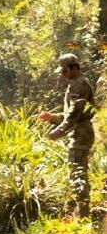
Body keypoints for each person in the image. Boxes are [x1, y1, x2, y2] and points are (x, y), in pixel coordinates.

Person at [38, 53, 95, 218]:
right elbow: (68, 114)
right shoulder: (74, 85)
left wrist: (59, 131)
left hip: (81, 135)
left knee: (77, 174)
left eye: (64, 71)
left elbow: (75, 114)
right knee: (78, 172)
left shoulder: (80, 85)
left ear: (73, 68)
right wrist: (52, 118)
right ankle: (84, 211)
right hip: (78, 133)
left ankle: (84, 215)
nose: (63, 75)